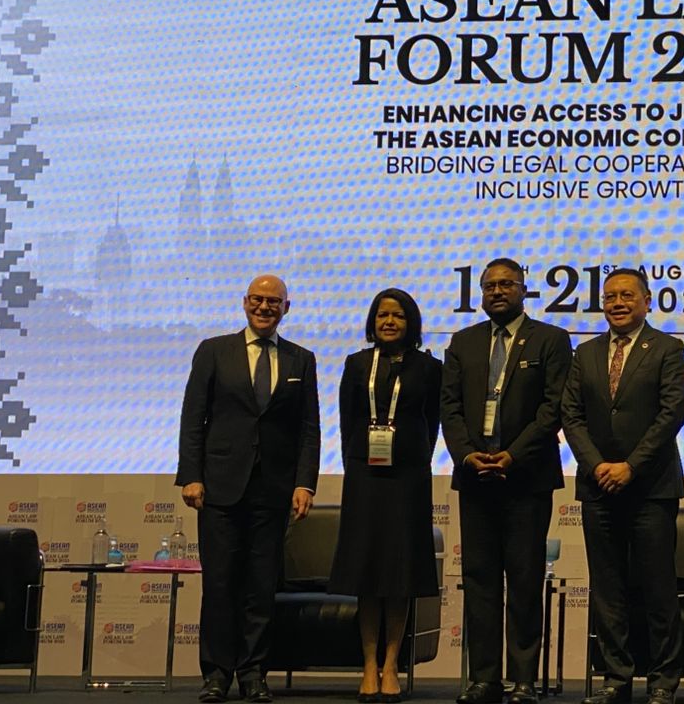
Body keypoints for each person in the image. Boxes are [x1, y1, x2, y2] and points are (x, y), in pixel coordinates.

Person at [176, 274, 321, 704]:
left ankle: (254, 674)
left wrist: (305, 483)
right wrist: (191, 475)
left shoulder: (301, 359)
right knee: (220, 585)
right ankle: (216, 674)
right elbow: (193, 417)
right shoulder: (213, 351)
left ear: (286, 308)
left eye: (273, 301)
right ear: (244, 303)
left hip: (273, 491)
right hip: (220, 488)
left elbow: (309, 429)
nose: (264, 307)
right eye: (257, 299)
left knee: (261, 587)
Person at [441, 258, 573, 704]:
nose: (497, 292)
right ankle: (484, 679)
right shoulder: (463, 342)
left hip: (527, 479)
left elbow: (553, 408)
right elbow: (449, 407)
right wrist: (466, 454)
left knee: (524, 580)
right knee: (479, 580)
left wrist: (512, 455)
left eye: (506, 284)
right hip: (475, 478)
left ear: (523, 289)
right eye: (489, 286)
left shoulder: (551, 339)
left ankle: (523, 680)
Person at [561, 268, 684, 704]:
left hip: (651, 487)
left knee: (657, 589)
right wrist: (597, 465)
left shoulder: (668, 348)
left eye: (627, 295)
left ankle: (663, 681)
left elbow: (671, 414)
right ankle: (616, 678)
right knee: (607, 590)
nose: (617, 303)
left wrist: (631, 466)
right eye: (610, 296)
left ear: (647, 301)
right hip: (598, 487)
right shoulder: (585, 352)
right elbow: (571, 415)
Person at [328, 288, 441, 703]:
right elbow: (347, 420)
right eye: (382, 315)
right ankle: (368, 664)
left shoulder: (430, 367)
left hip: (409, 477)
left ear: (411, 322)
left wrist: (415, 457)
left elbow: (433, 423)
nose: (389, 322)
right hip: (365, 476)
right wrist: (357, 461)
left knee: (400, 572)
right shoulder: (357, 363)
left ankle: (392, 664)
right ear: (372, 322)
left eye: (397, 316)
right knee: (368, 570)